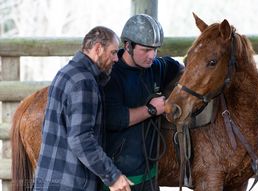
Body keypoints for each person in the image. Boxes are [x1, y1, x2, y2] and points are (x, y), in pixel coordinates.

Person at [33, 26, 133, 191]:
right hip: (70, 185)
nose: (116, 59)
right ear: (98, 49)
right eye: (113, 52)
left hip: (49, 181)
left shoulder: (65, 72)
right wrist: (113, 176)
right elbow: (81, 139)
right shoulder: (84, 82)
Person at [102, 14, 184, 191]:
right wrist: (152, 110)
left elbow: (182, 69)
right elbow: (114, 118)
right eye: (145, 50)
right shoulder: (112, 75)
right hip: (119, 176)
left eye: (155, 49)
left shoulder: (156, 67)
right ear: (128, 46)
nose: (152, 56)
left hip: (150, 173)